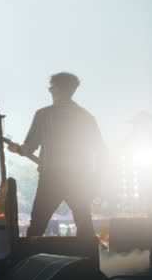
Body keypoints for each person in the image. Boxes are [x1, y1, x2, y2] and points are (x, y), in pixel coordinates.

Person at [8, 72, 103, 237]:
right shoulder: (86, 117)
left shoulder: (44, 115)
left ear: (57, 88)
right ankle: (89, 261)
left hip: (51, 178)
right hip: (79, 179)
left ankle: (31, 261)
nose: (50, 91)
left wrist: (17, 149)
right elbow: (100, 150)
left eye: (50, 87)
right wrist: (95, 180)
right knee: (85, 228)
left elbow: (29, 148)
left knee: (36, 228)